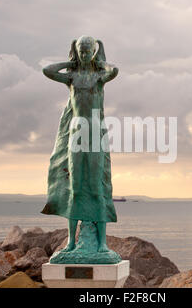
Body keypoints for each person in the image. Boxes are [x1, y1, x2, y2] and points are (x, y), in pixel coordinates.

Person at [41, 36, 119, 253]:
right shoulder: (72, 77)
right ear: (76, 51)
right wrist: (71, 63)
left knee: (96, 188)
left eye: (88, 51)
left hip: (94, 133)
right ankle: (71, 242)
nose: (84, 55)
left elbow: (114, 70)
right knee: (75, 188)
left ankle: (102, 243)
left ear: (93, 51)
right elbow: (47, 71)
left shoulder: (98, 77)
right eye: (81, 51)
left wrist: (99, 60)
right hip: (75, 133)